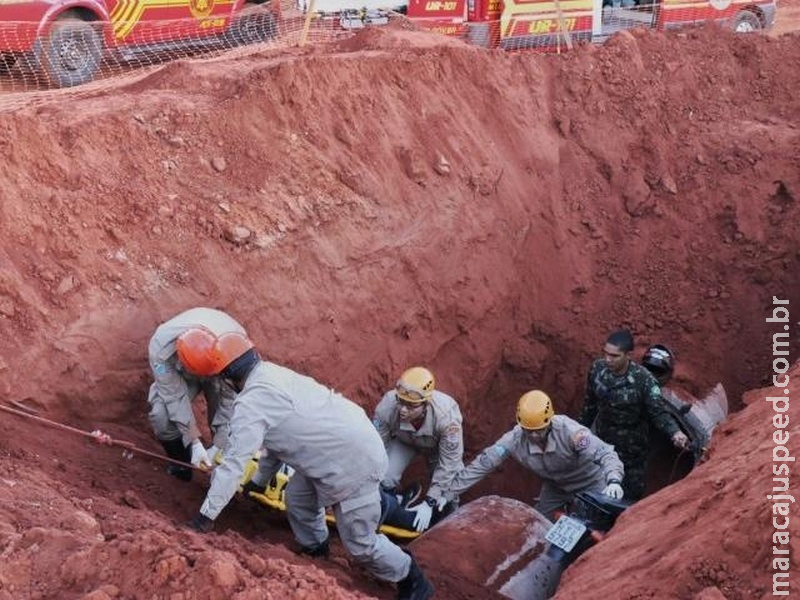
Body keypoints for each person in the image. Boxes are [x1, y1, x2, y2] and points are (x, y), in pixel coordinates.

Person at [181, 328, 435, 600]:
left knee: (360, 544)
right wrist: (258, 483)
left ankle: (411, 578)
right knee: (299, 496)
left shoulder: (252, 403)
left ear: (228, 377)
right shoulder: (271, 374)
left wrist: (205, 518)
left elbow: (233, 466)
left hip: (352, 462)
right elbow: (278, 443)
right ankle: (315, 549)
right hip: (344, 445)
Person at [432, 390, 625, 521]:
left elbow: (604, 453)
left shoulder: (571, 432)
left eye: (538, 430)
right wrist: (448, 493)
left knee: (601, 522)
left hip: (590, 481)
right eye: (528, 430)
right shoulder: (514, 439)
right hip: (556, 488)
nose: (533, 435)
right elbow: (484, 463)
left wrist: (614, 479)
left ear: (548, 422)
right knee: (539, 524)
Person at [579, 329, 688, 501]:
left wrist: (675, 432)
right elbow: (589, 405)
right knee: (597, 492)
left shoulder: (644, 381)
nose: (608, 359)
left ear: (627, 355)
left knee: (629, 499)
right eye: (606, 354)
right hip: (602, 443)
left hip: (632, 452)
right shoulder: (597, 369)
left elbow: (658, 412)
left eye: (615, 356)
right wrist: (579, 432)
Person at [147, 307, 245, 481]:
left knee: (229, 429)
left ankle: (222, 474)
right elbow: (173, 398)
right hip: (184, 372)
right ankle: (181, 465)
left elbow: (228, 406)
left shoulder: (234, 352)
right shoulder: (160, 349)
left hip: (220, 369)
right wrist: (194, 441)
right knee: (161, 415)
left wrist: (218, 446)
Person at [372, 366, 464, 532]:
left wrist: (430, 502)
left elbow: (449, 463)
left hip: (436, 447)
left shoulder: (447, 418)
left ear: (426, 404)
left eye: (411, 406)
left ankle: (450, 523)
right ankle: (393, 503)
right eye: (401, 402)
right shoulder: (387, 406)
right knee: (385, 477)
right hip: (404, 440)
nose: (403, 410)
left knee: (449, 491)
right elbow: (376, 447)